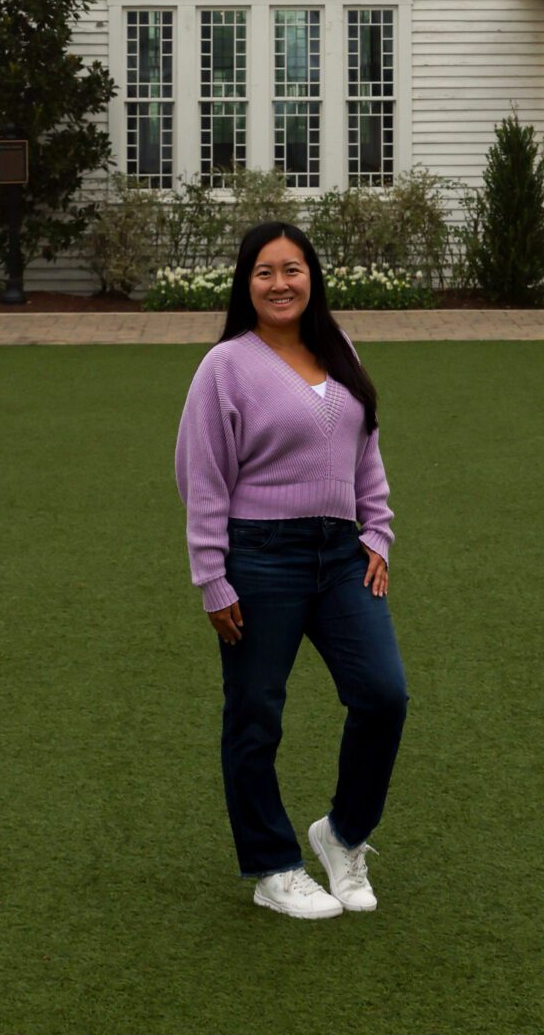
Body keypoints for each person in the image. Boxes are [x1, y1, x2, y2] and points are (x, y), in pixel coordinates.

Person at [173, 220, 409, 920]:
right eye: (265, 272)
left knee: (383, 695)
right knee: (255, 717)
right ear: (246, 285)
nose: (280, 284)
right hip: (259, 559)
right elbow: (202, 476)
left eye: (293, 269)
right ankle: (273, 865)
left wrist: (379, 533)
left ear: (313, 277)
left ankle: (341, 835)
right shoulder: (226, 366)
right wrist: (212, 577)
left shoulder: (337, 351)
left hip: (341, 557)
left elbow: (367, 453)